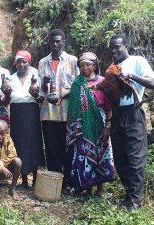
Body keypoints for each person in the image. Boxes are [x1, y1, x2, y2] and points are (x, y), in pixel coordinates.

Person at [109, 34, 154, 211]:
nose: (114, 51)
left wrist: (131, 76)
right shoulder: (113, 67)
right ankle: (129, 195)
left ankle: (135, 201)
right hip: (117, 114)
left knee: (135, 158)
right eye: (111, 48)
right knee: (120, 158)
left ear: (125, 46)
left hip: (134, 113)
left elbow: (152, 82)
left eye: (117, 47)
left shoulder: (138, 61)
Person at [67, 52, 115, 196]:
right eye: (81, 65)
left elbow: (109, 105)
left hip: (99, 121)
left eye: (87, 64)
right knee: (84, 154)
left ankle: (99, 190)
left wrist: (108, 125)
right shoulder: (77, 83)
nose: (84, 68)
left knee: (101, 153)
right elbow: (74, 106)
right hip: (82, 125)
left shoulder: (103, 82)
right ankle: (87, 188)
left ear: (94, 66)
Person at [38, 29, 79, 188]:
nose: (55, 44)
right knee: (51, 148)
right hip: (48, 113)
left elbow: (78, 85)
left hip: (68, 113)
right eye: (52, 41)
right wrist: (43, 84)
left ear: (63, 42)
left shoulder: (72, 60)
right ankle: (55, 182)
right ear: (49, 42)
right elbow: (42, 91)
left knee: (68, 147)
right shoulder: (43, 62)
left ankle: (68, 180)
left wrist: (63, 93)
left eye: (58, 41)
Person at [4, 50, 45, 187]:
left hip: (32, 112)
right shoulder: (11, 78)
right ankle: (24, 179)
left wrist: (34, 95)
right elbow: (7, 101)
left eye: (24, 61)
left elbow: (41, 98)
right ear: (15, 63)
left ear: (29, 62)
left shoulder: (35, 76)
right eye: (19, 62)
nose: (21, 64)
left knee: (33, 142)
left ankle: (35, 178)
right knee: (19, 143)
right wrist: (7, 94)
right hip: (17, 113)